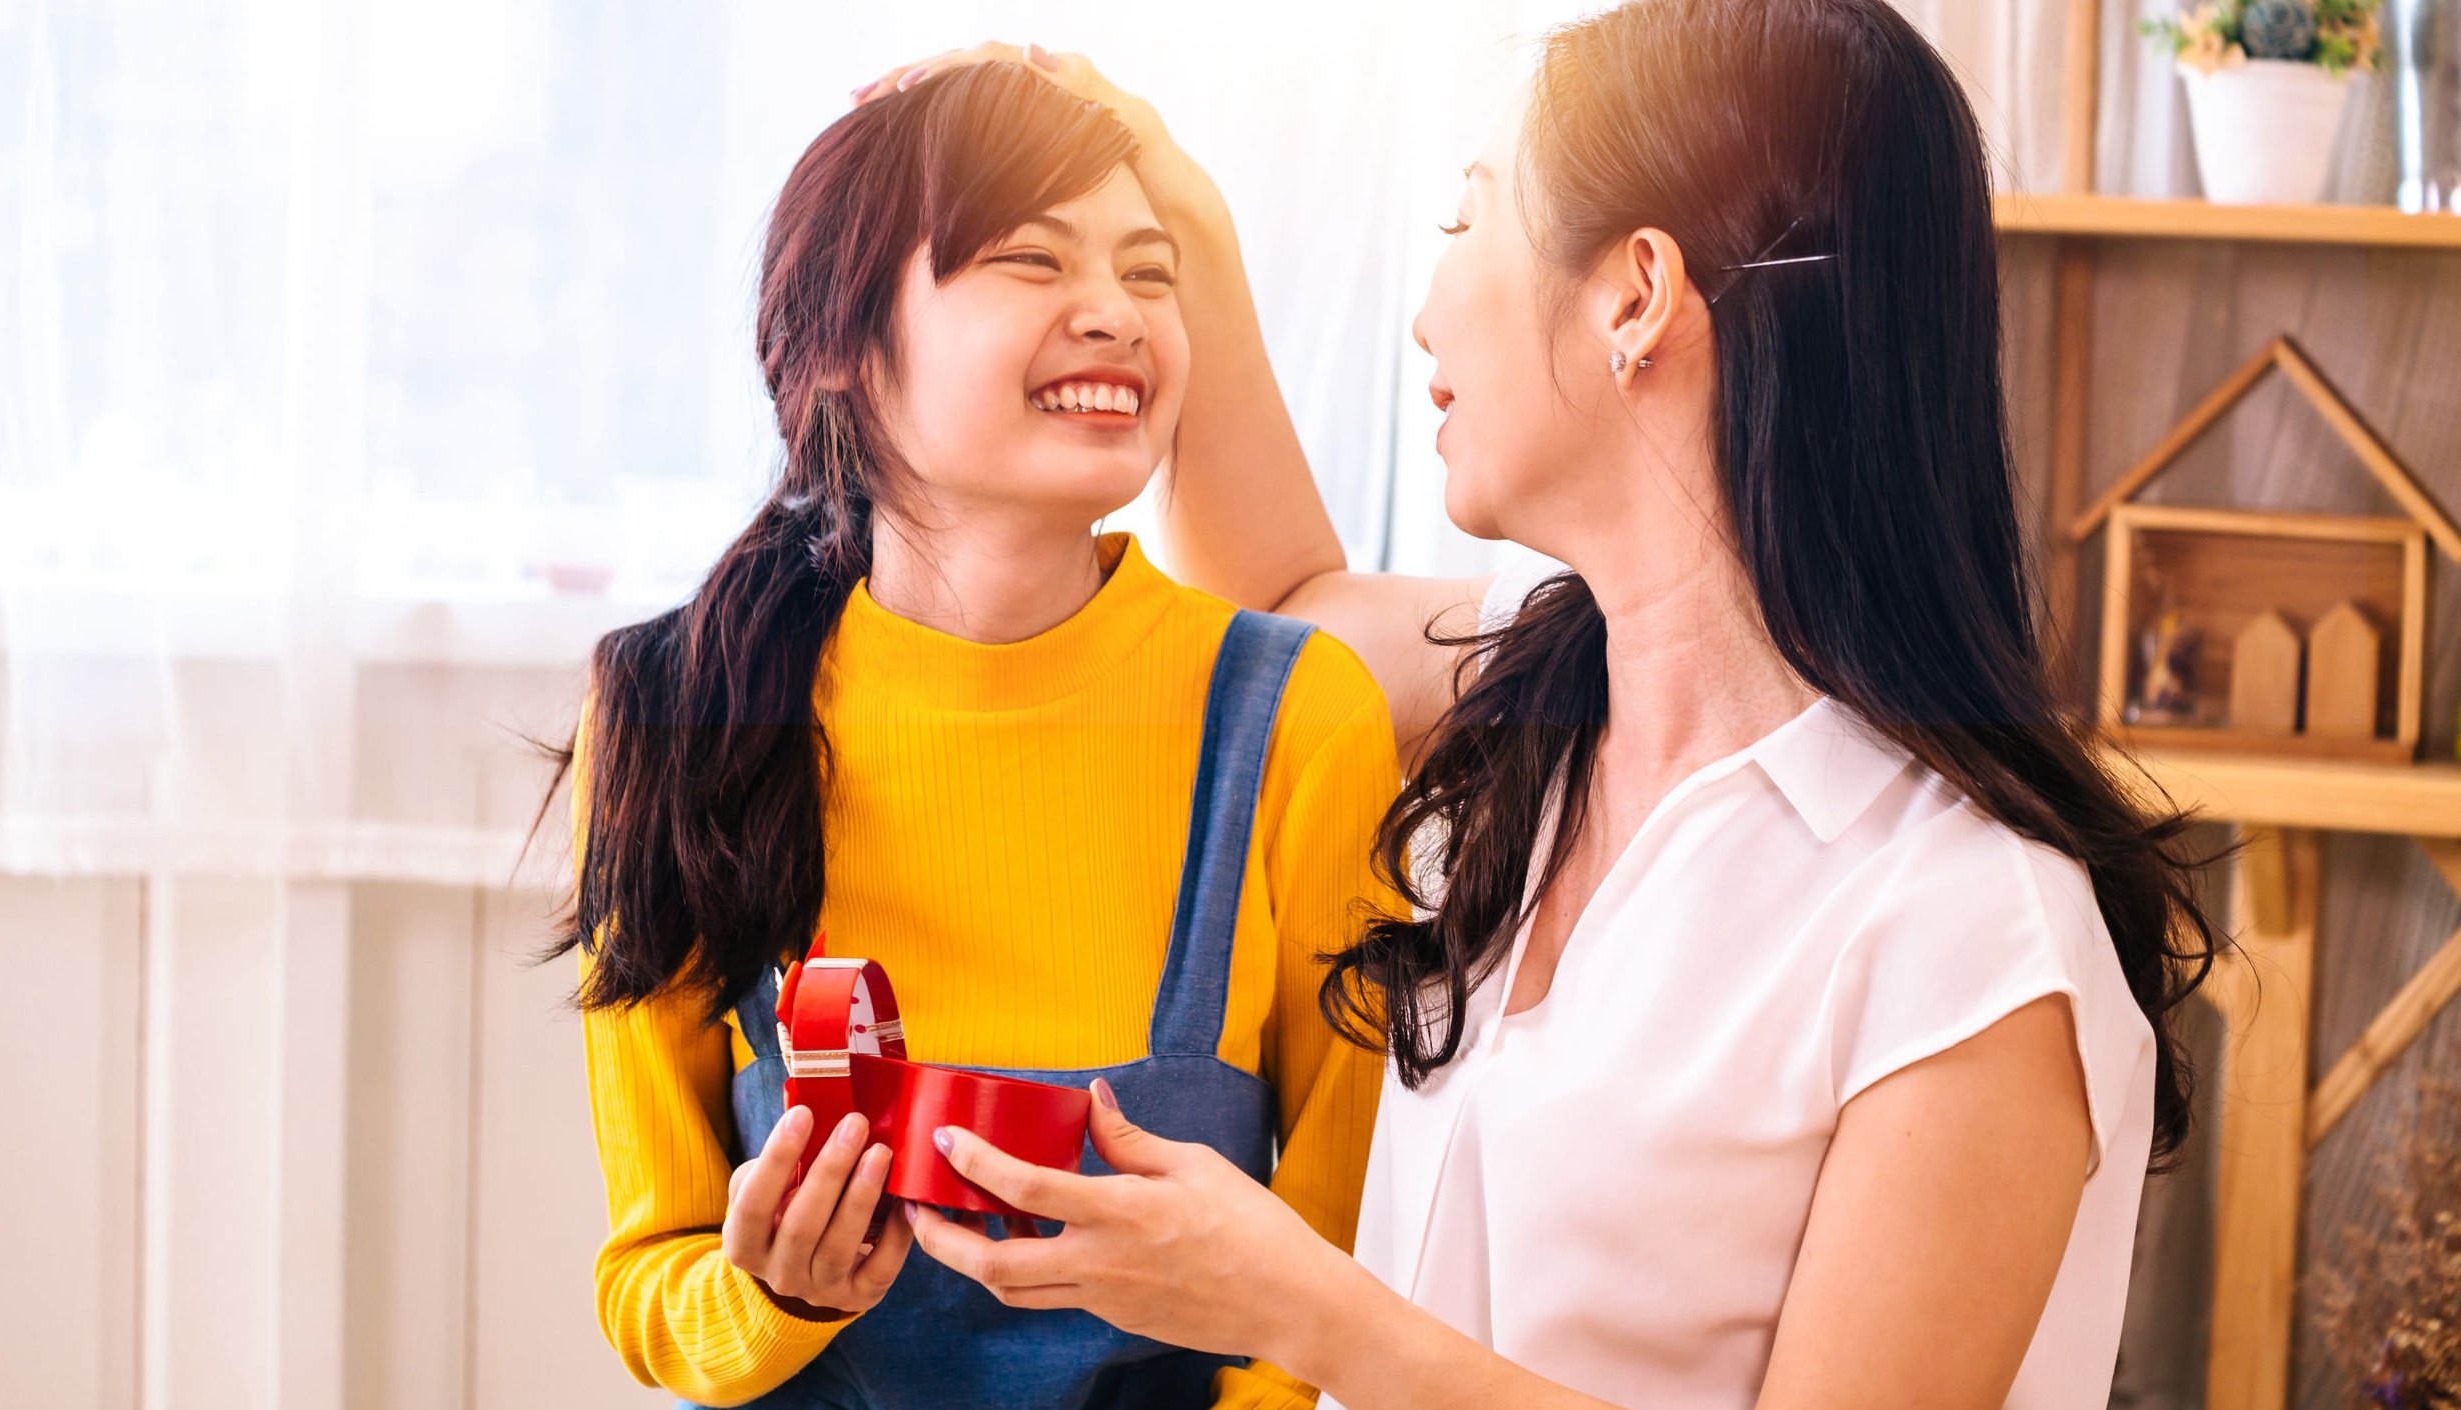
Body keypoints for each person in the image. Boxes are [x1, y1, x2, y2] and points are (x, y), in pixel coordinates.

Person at [864, 7, 2222, 1408]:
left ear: (1635, 294)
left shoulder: (1970, 933)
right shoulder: (1539, 707)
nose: (1425, 307)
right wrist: (1181, 230)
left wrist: (1293, 1303)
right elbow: (1285, 605)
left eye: (1467, 221)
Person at [546, 63, 1398, 1410]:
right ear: (837, 345)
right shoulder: (672, 715)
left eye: (1151, 269)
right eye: (1029, 257)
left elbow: (1346, 1256)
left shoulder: (1300, 718)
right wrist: (770, 1293)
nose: (1114, 314)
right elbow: (650, 1275)